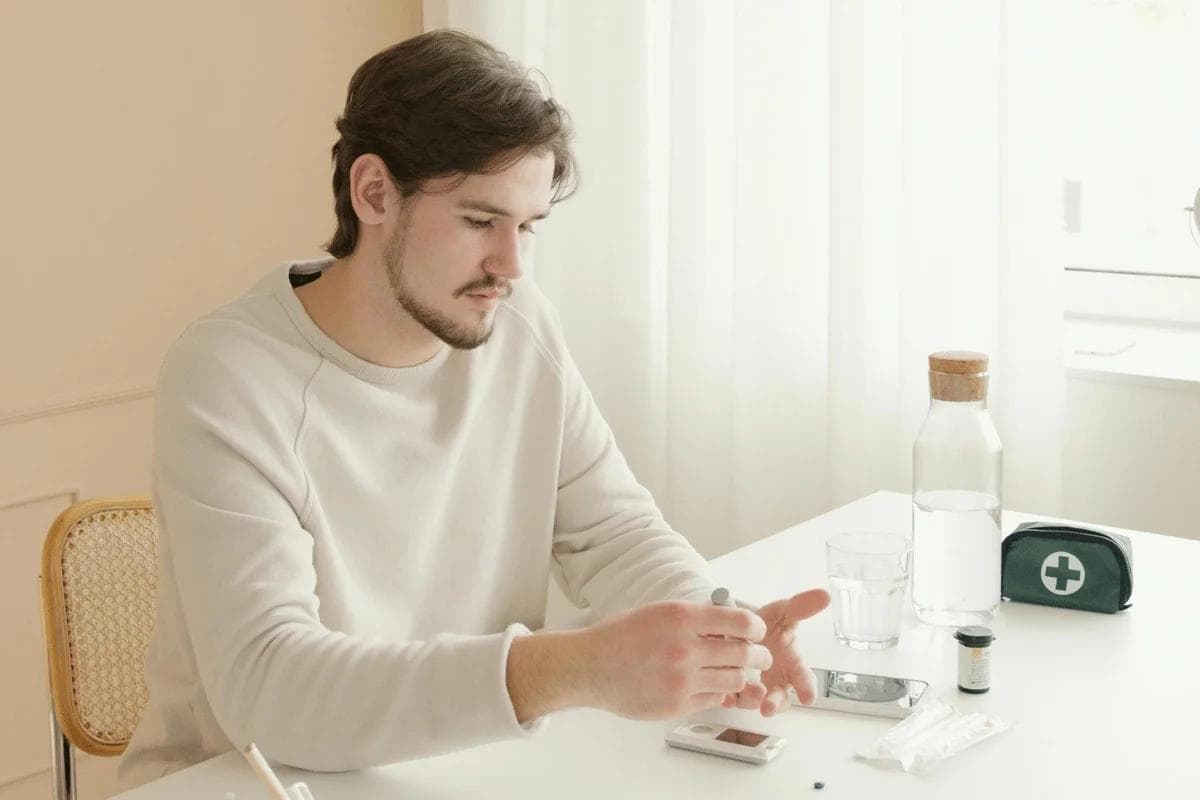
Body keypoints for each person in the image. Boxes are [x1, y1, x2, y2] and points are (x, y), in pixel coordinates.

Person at [118, 28, 830, 790]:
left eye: (526, 227)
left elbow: (615, 533)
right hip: (244, 781)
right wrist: (571, 668)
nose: (512, 266)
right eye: (479, 221)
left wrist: (717, 631)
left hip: (458, 768)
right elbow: (270, 688)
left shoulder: (520, 329)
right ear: (374, 193)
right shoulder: (231, 374)